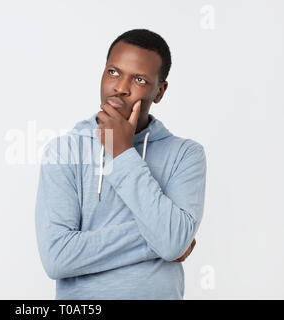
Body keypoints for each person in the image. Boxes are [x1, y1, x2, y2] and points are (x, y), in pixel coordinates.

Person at [35, 29, 206, 299]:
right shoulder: (63, 151)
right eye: (113, 72)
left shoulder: (186, 154)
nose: (120, 87)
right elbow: (57, 257)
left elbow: (173, 242)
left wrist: (123, 153)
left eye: (139, 79)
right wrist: (163, 240)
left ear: (159, 91)